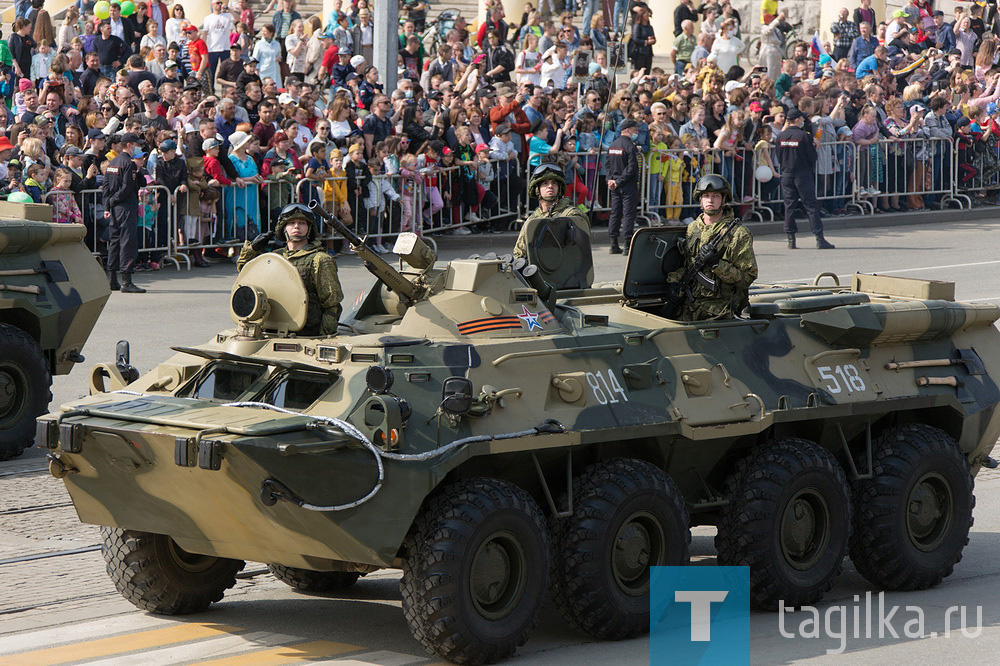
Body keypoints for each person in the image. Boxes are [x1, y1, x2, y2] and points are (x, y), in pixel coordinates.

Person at [237, 204, 343, 336]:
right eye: (291, 223)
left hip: (306, 333)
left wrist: (324, 334)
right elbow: (244, 274)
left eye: (302, 223)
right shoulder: (275, 257)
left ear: (309, 228)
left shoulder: (320, 259)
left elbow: (332, 303)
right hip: (270, 328)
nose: (296, 227)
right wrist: (252, 249)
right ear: (284, 228)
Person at [665, 175, 758, 321]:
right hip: (690, 307)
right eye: (706, 196)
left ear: (723, 199)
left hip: (721, 312)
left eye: (715, 196)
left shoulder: (738, 233)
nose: (710, 200)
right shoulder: (693, 228)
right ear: (700, 199)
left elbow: (747, 277)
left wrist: (717, 264)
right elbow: (688, 265)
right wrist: (674, 281)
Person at [776, 109, 835, 249]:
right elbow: (812, 157)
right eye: (802, 119)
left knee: (789, 207)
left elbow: (778, 156)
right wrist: (816, 147)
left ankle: (791, 240)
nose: (803, 121)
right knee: (810, 206)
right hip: (802, 174)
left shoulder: (781, 136)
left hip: (787, 174)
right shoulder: (803, 136)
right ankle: (819, 238)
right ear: (797, 120)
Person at [514, 162, 591, 262]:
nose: (550, 186)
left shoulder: (572, 215)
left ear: (559, 189)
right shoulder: (532, 220)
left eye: (554, 183)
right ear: (537, 190)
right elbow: (519, 252)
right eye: (545, 183)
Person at [102, 134, 147, 293]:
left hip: (115, 208)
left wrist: (108, 204)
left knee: (114, 242)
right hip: (126, 206)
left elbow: (106, 187)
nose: (137, 147)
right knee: (127, 242)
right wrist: (114, 200)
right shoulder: (128, 163)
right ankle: (126, 281)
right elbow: (127, 188)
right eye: (135, 144)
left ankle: (112, 280)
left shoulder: (113, 162)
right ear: (129, 145)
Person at [605, 119, 641, 255]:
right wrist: (618, 181)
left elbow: (607, 165)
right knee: (628, 214)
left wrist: (611, 180)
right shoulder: (630, 146)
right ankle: (627, 245)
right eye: (635, 130)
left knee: (615, 213)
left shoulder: (613, 145)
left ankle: (613, 243)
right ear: (628, 130)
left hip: (615, 185)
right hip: (627, 185)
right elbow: (631, 168)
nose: (636, 133)